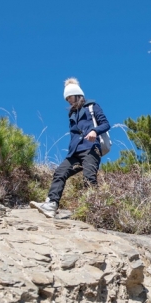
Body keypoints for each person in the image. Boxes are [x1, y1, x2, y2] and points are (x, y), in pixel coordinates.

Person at [30, 78, 110, 218]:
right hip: (74, 152)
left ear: (77, 94)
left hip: (91, 149)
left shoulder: (92, 107)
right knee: (60, 173)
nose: (68, 101)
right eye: (66, 98)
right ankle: (51, 204)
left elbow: (106, 124)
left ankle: (95, 211)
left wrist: (94, 131)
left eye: (70, 97)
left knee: (89, 178)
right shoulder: (72, 114)